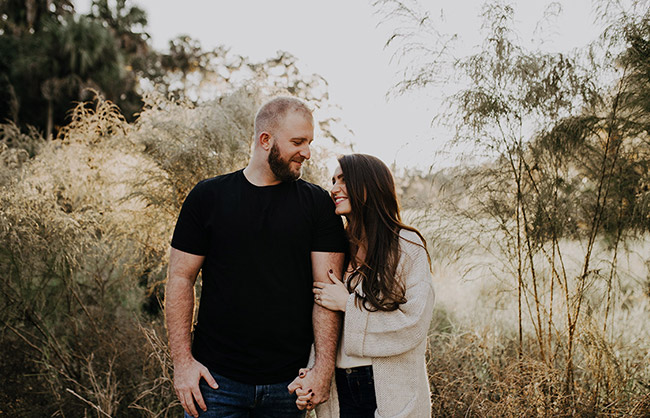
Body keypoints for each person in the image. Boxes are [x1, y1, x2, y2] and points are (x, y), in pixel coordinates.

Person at [165, 96, 347, 418]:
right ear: (266, 140)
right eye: (297, 141)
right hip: (215, 384)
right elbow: (180, 278)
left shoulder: (318, 206)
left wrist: (322, 368)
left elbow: (327, 294)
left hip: (289, 386)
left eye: (309, 142)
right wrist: (182, 364)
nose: (306, 151)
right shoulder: (208, 197)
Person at [295, 153, 435, 417]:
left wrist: (348, 304)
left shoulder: (407, 246)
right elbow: (322, 321)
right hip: (340, 388)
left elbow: (414, 324)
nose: (334, 189)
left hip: (388, 389)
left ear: (370, 184)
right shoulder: (337, 248)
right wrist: (314, 370)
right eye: (333, 180)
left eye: (344, 180)